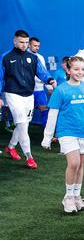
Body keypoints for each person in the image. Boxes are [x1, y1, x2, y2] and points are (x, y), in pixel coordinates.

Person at [41, 57, 84, 213]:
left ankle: (77, 196)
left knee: (81, 164)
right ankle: (68, 197)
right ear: (68, 70)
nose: (80, 72)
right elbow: (53, 114)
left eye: (82, 69)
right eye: (76, 69)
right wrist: (47, 137)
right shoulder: (61, 90)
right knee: (74, 163)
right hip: (67, 132)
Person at [0, 30, 56, 169]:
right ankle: (29, 157)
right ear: (14, 41)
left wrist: (49, 80)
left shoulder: (33, 57)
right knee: (23, 125)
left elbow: (42, 72)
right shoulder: (6, 57)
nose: (24, 45)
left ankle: (11, 147)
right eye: (21, 42)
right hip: (12, 94)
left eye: (26, 42)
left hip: (29, 96)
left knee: (23, 124)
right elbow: (0, 77)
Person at [28, 37, 50, 126]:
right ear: (29, 45)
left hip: (39, 89)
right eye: (35, 45)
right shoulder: (23, 56)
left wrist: (49, 86)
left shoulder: (40, 57)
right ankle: (20, 135)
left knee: (44, 109)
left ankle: (47, 135)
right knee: (25, 113)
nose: (37, 48)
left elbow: (44, 73)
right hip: (27, 90)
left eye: (38, 46)